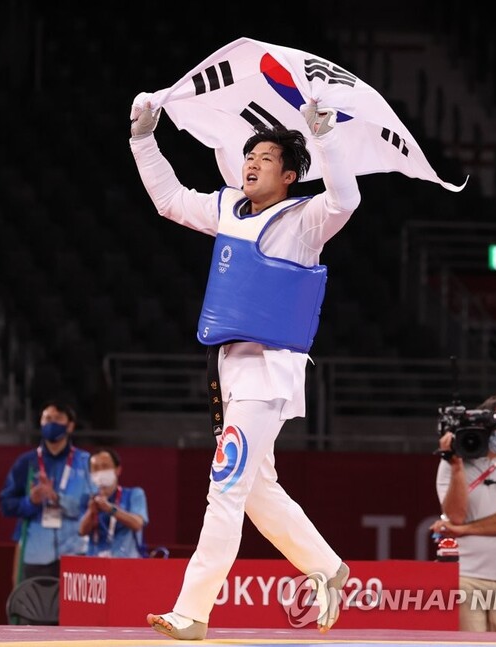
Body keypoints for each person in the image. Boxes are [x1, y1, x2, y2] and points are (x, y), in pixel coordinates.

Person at [129, 97, 358, 639]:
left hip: (269, 370)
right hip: (230, 366)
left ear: (291, 173)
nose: (251, 161)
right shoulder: (230, 209)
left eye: (266, 156)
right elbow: (168, 199)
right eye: (249, 153)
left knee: (226, 485)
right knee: (257, 490)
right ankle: (327, 566)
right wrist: (142, 139)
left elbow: (346, 198)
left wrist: (326, 137)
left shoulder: (304, 221)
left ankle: (192, 610)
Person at [430, 393, 496, 632]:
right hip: (466, 577)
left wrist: (464, 530)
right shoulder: (450, 464)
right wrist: (457, 466)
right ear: (485, 423)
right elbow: (455, 515)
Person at [0, 400, 91, 584]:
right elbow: (6, 504)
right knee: (38, 610)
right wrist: (30, 502)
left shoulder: (85, 462)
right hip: (36, 553)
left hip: (76, 553)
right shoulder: (27, 463)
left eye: (58, 418)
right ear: (41, 423)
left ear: (70, 426)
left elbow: (91, 505)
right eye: (47, 418)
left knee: (75, 612)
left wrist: (58, 499)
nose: (52, 423)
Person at [79, 447, 149, 558]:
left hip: (127, 564)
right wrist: (91, 512)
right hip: (95, 566)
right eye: (96, 468)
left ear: (118, 470)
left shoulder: (134, 494)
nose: (101, 472)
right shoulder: (87, 499)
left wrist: (110, 509)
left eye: (105, 466)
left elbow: (137, 524)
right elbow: (82, 531)